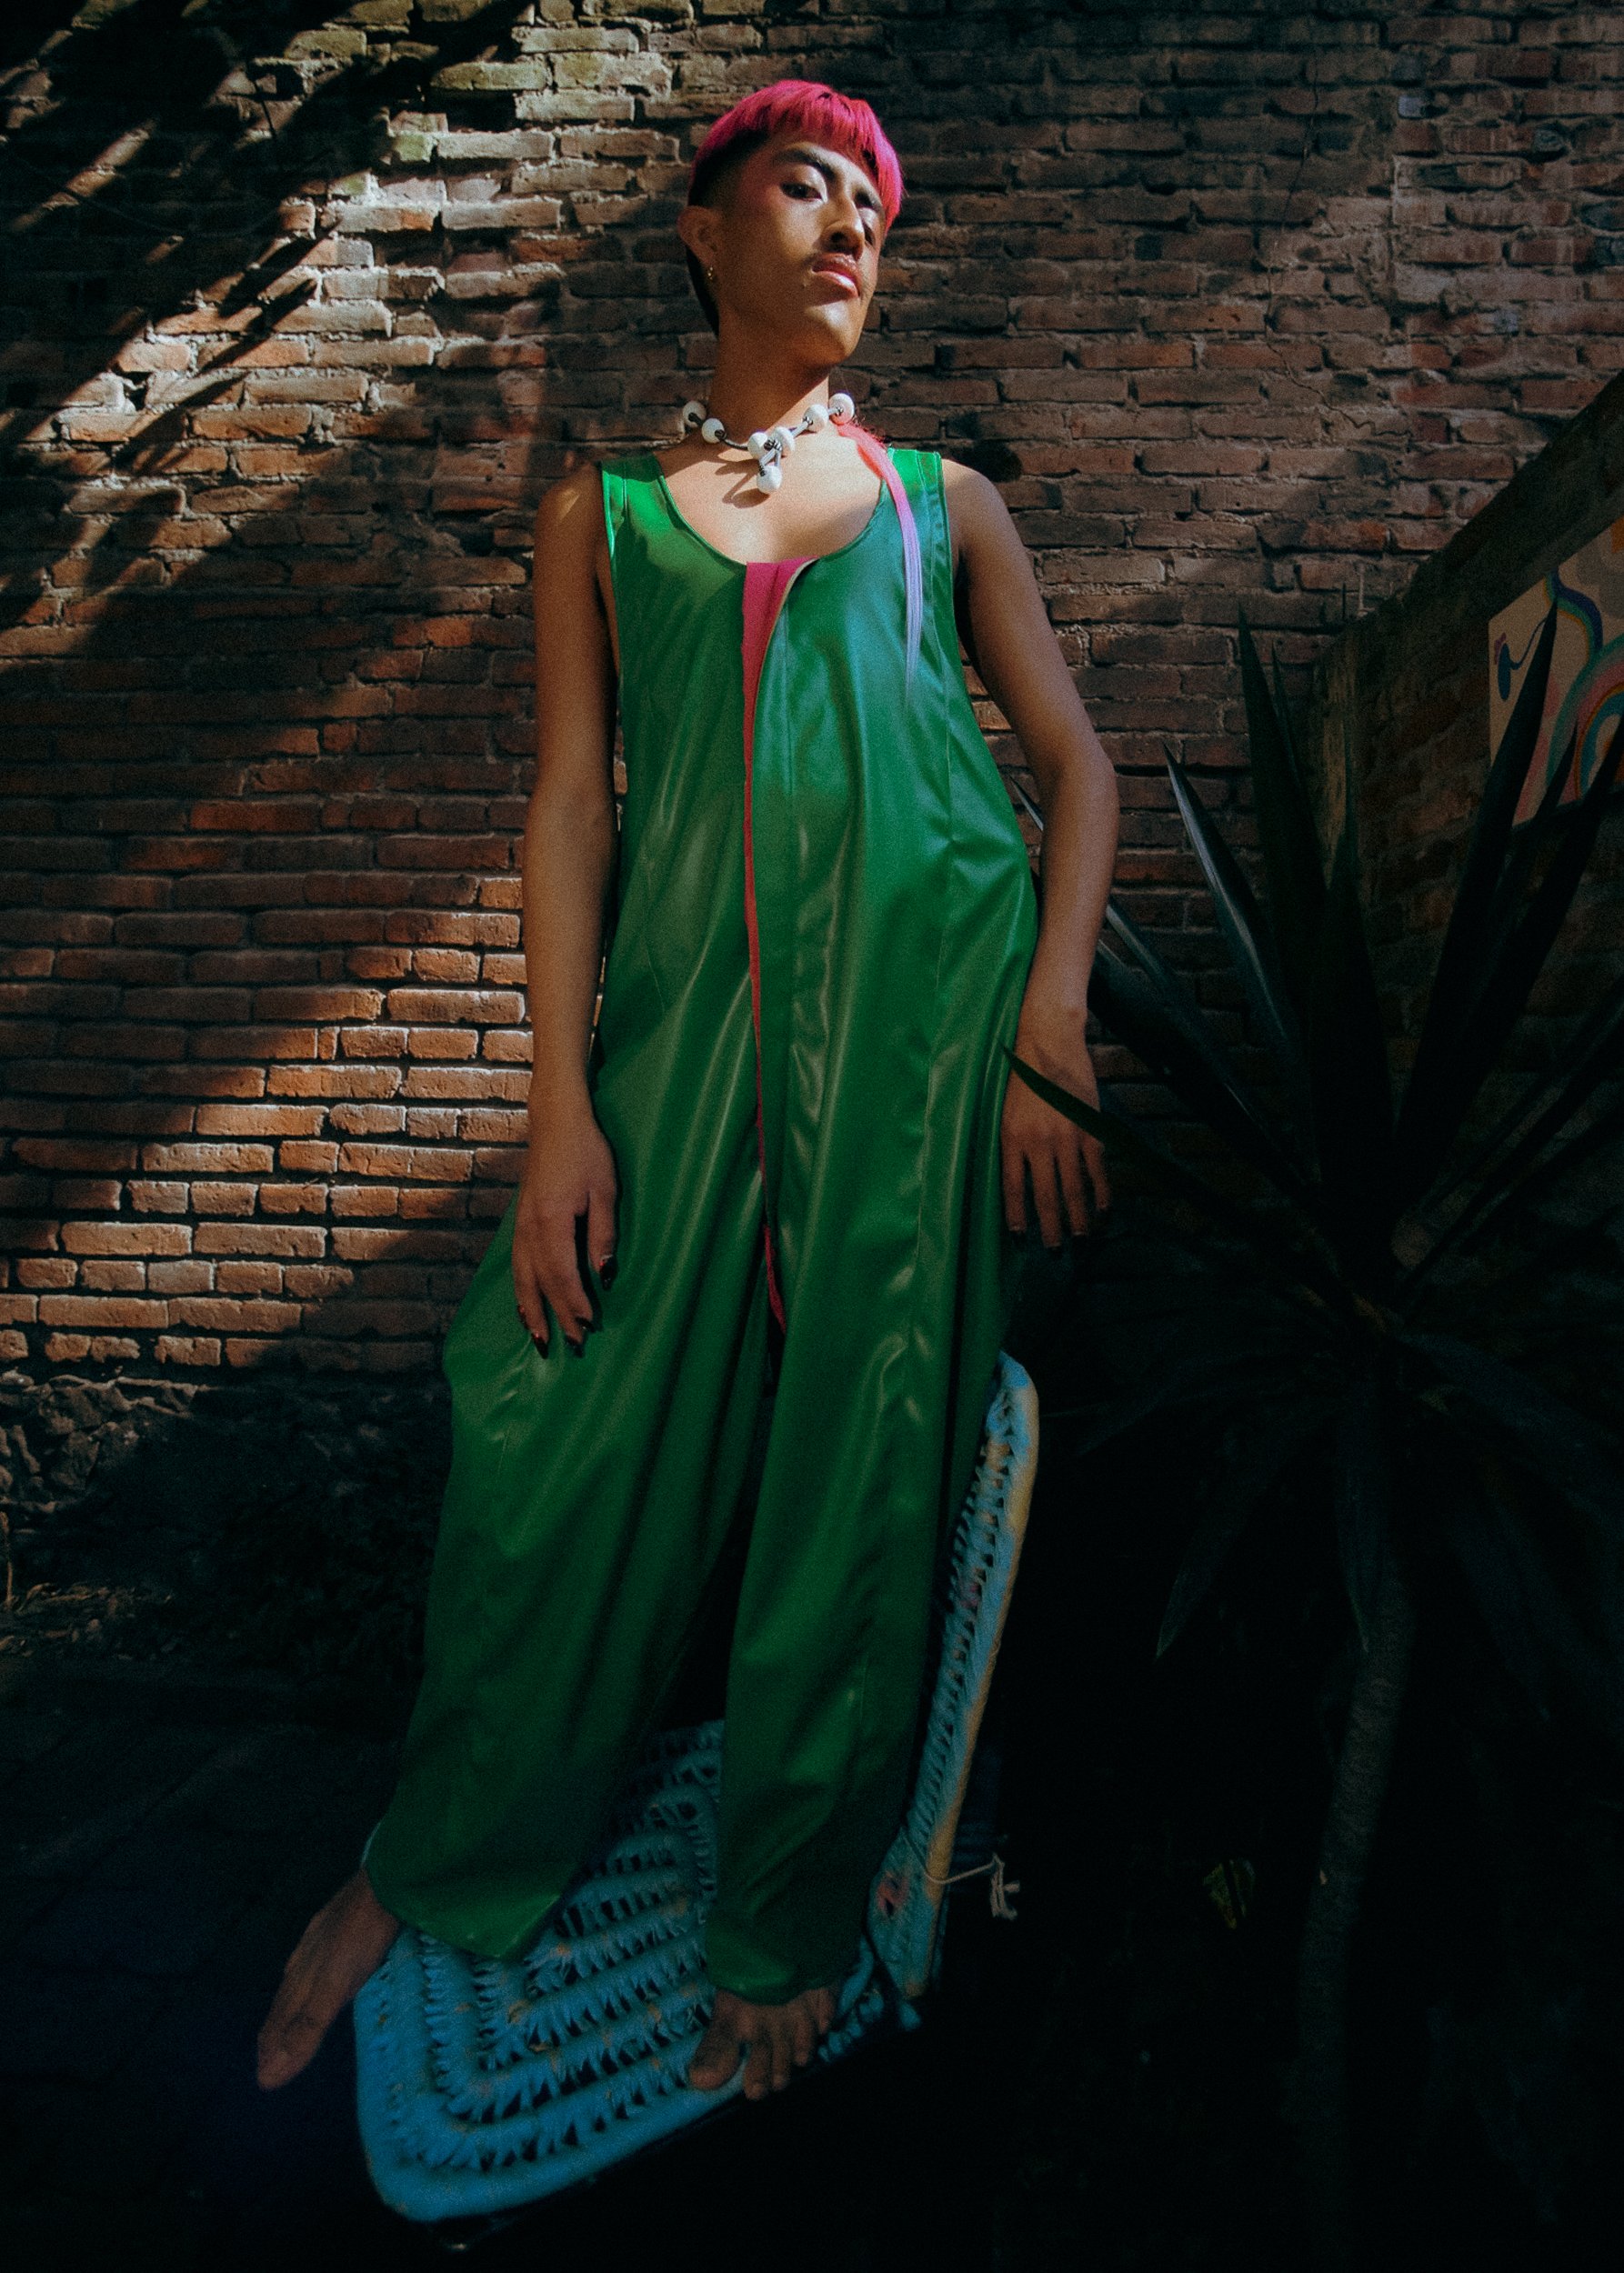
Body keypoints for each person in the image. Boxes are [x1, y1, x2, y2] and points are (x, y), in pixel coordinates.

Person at [256, 78, 1118, 2108]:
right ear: (705, 230)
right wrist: (561, 1108)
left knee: (857, 1457)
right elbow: (570, 808)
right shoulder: (605, 515)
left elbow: (1068, 770)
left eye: (875, 217)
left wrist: (1046, 1030)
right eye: (810, 191)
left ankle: (785, 1918)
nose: (850, 233)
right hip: (677, 1037)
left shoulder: (936, 504)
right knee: (544, 1419)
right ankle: (436, 1850)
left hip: (923, 1036)